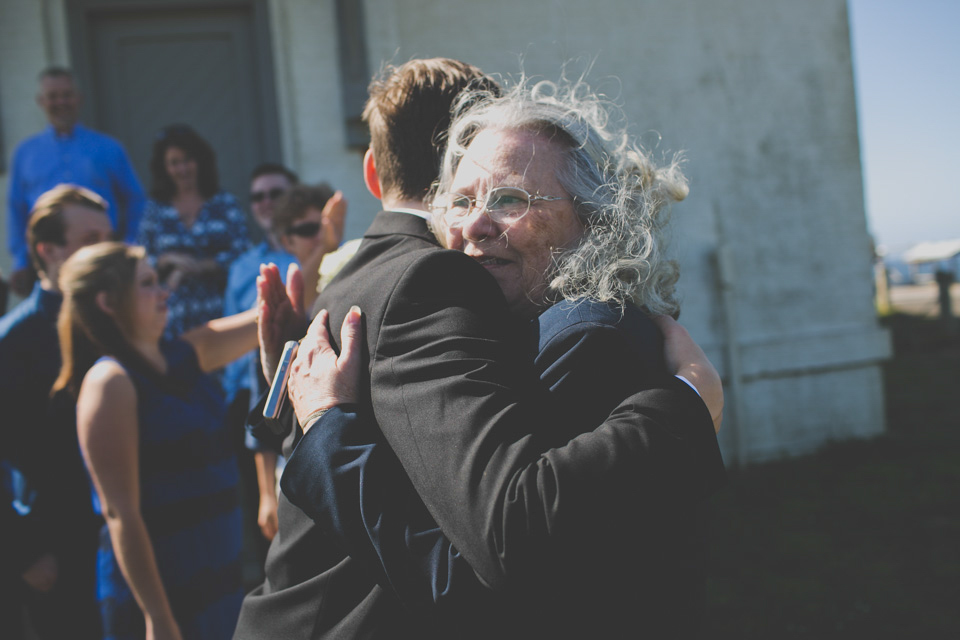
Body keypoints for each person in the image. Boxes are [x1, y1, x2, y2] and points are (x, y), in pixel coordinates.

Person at [235, 58, 722, 639]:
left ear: (592, 218)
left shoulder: (585, 336)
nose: (475, 226)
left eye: (511, 199)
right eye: (462, 202)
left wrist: (688, 401)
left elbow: (490, 563)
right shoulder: (508, 319)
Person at [52, 241, 262, 640]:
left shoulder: (185, 353)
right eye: (148, 283)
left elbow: (265, 316)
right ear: (108, 303)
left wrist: (317, 252)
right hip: (165, 593)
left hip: (217, 578)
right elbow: (121, 515)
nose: (165, 292)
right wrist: (158, 618)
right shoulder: (110, 383)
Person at [0, 185, 113, 639]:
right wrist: (23, 550)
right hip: (57, 550)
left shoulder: (116, 324)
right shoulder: (14, 341)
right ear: (48, 251)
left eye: (110, 237)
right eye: (90, 241)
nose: (107, 252)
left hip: (126, 538)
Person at [6, 67, 146, 297]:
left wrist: (130, 244)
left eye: (66, 94)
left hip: (102, 263)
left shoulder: (108, 148)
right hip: (48, 266)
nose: (60, 102)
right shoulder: (24, 153)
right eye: (53, 96)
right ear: (41, 101)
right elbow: (16, 207)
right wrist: (20, 260)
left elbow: (136, 199)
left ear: (79, 99)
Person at [222, 163, 301, 543]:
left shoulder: (310, 251)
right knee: (261, 516)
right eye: (258, 196)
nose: (266, 202)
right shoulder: (239, 267)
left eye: (275, 193)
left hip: (293, 392)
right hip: (246, 397)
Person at [136, 124, 251, 340]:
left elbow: (243, 254)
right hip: (170, 317)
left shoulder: (223, 203)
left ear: (200, 161)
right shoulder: (155, 210)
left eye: (188, 160)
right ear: (164, 168)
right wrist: (167, 260)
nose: (182, 169)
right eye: (174, 163)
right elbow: (139, 259)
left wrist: (200, 267)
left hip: (221, 312)